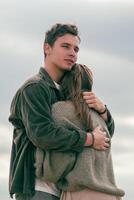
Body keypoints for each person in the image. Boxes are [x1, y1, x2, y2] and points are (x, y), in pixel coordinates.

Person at [8, 23, 113, 200]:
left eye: (76, 49)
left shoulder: (70, 89)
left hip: (68, 188)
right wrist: (89, 139)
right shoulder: (34, 88)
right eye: (65, 46)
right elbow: (42, 134)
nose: (73, 53)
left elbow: (105, 138)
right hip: (38, 187)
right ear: (47, 48)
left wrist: (103, 111)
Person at [35, 64, 125, 200]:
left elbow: (62, 157)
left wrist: (42, 169)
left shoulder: (60, 111)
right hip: (111, 194)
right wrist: (103, 111)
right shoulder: (99, 116)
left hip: (81, 194)